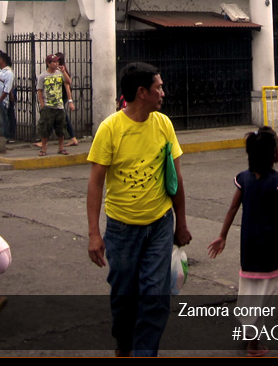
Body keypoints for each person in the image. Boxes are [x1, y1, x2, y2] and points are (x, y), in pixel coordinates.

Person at [87, 62, 192, 357]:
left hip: (160, 224)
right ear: (141, 92)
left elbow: (176, 177)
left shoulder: (163, 124)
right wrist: (95, 234)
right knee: (124, 297)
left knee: (156, 295)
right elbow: (95, 184)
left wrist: (180, 223)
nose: (163, 92)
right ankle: (124, 343)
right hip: (121, 229)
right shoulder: (110, 129)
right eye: (158, 87)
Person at [207, 126, 278, 357]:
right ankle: (253, 344)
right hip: (272, 246)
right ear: (275, 154)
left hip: (250, 247)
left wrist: (222, 235)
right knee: (264, 292)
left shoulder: (244, 179)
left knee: (249, 288)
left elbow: (233, 208)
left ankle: (248, 333)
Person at [37, 54, 73, 156]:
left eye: (57, 62)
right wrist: (42, 105)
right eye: (54, 62)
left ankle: (61, 148)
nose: (56, 64)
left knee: (61, 128)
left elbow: (68, 82)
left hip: (59, 105)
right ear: (48, 63)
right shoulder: (43, 76)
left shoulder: (60, 74)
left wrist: (64, 71)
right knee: (45, 128)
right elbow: (39, 91)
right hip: (48, 106)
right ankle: (44, 149)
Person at [56, 52, 80, 147]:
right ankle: (73, 138)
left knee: (64, 117)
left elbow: (67, 87)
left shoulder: (62, 71)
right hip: (58, 96)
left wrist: (70, 101)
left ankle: (73, 138)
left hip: (62, 96)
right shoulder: (57, 70)